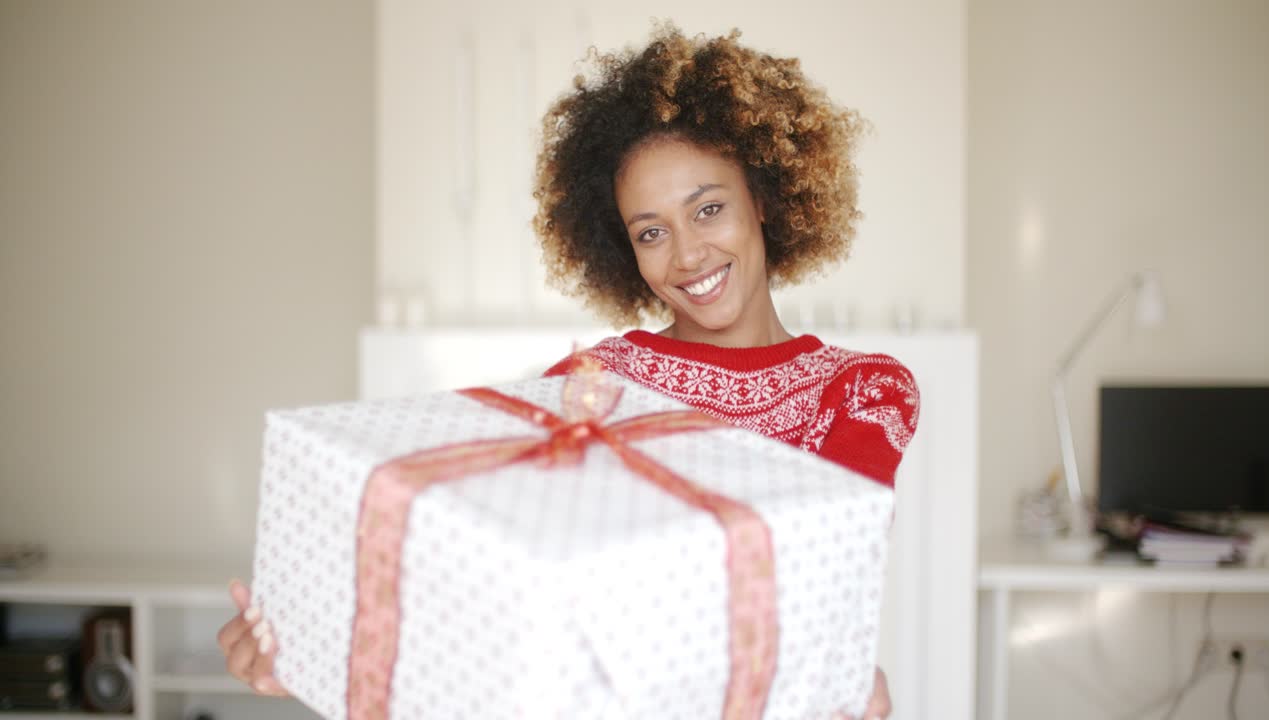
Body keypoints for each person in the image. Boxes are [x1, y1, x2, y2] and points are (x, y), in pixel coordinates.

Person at [220, 24, 916, 720]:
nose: (688, 255)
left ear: (762, 199)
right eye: (651, 232)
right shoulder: (593, 382)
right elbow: (485, 574)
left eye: (709, 209)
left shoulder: (861, 390)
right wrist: (311, 647)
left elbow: (824, 573)